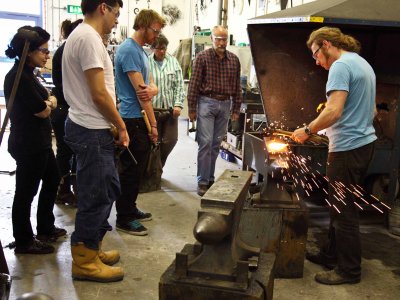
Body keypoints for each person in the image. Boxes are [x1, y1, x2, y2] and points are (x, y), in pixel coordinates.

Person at [292, 26, 377, 285]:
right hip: (363, 144)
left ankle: (349, 270)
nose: (317, 62)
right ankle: (331, 254)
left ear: (326, 44)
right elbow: (371, 111)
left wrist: (307, 130)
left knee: (344, 211)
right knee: (339, 204)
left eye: (316, 54)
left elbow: (333, 111)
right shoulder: (361, 63)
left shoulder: (340, 66)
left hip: (347, 150)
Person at [62, 0, 129, 282]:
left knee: (106, 188)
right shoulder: (88, 38)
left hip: (91, 127)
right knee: (95, 195)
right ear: (104, 7)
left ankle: (92, 246)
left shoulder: (84, 36)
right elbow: (99, 94)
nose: (116, 19)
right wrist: (121, 125)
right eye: (116, 13)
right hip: (91, 129)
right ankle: (84, 261)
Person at [3, 26, 66, 254]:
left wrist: (49, 101)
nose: (47, 55)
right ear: (28, 51)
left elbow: (47, 101)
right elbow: (42, 109)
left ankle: (45, 227)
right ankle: (24, 241)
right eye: (43, 50)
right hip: (28, 144)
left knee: (52, 180)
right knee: (25, 193)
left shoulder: (30, 74)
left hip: (39, 143)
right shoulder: (18, 77)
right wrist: (49, 102)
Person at [114, 9, 165, 236]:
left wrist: (153, 89)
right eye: (155, 30)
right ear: (143, 26)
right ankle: (123, 217)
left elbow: (151, 85)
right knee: (131, 170)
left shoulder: (141, 52)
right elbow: (141, 94)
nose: (157, 35)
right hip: (133, 118)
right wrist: (153, 126)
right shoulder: (129, 51)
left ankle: (131, 208)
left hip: (138, 117)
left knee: (138, 169)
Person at [187, 25, 242, 196]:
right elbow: (194, 84)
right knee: (205, 143)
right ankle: (202, 181)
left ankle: (210, 178)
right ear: (212, 39)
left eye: (224, 39)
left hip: (225, 104)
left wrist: (236, 108)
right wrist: (191, 108)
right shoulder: (202, 58)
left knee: (216, 144)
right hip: (206, 102)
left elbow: (237, 86)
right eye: (218, 38)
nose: (221, 42)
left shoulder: (233, 60)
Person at [51, 18, 82, 206]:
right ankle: (62, 191)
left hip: (69, 107)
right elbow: (65, 85)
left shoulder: (68, 49)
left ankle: (68, 190)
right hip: (65, 109)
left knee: (71, 152)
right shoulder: (66, 51)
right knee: (65, 152)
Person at [148, 34, 185, 167]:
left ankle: (159, 165)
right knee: (154, 141)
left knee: (171, 140)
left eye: (164, 48)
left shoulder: (173, 62)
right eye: (159, 48)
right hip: (153, 111)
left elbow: (179, 85)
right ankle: (154, 171)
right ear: (152, 48)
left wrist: (178, 105)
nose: (162, 51)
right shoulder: (147, 63)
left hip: (170, 111)